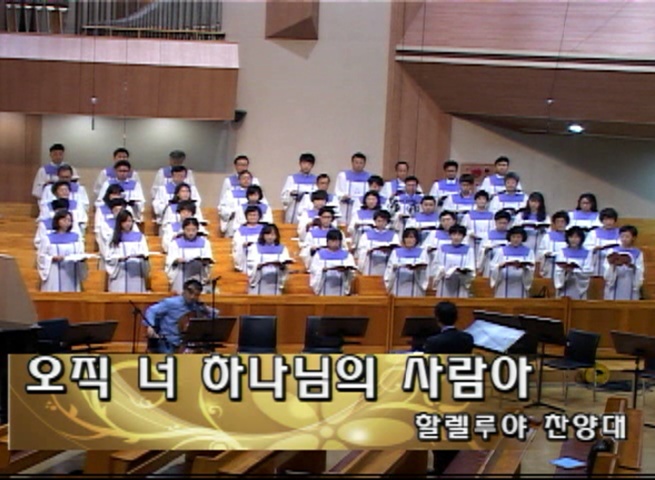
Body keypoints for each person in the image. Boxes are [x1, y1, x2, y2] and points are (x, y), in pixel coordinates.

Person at [423, 301, 474, 476]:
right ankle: (454, 467)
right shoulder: (467, 339)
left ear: (437, 318)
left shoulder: (433, 342)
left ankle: (440, 469)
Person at [144, 279, 219, 354]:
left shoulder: (196, 305)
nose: (192, 297)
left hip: (186, 345)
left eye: (196, 295)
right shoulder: (171, 302)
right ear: (184, 291)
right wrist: (150, 326)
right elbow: (151, 311)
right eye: (190, 293)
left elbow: (215, 316)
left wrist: (204, 307)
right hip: (168, 343)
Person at [37, 210, 88, 292]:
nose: (67, 222)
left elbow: (80, 252)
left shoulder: (76, 237)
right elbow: (41, 256)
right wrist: (52, 258)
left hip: (71, 271)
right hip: (54, 271)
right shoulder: (48, 238)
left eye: (69, 220)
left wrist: (81, 259)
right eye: (64, 220)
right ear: (58, 221)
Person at [105, 210, 150, 293]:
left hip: (136, 272)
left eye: (129, 221)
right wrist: (119, 258)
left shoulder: (139, 236)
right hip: (120, 273)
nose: (127, 224)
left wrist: (143, 257)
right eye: (125, 221)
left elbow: (145, 253)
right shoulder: (114, 237)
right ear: (120, 223)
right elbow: (108, 257)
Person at [165, 217, 214, 294]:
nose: (191, 233)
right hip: (180, 273)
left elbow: (208, 257)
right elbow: (170, 260)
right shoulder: (175, 243)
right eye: (188, 230)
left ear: (197, 230)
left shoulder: (205, 243)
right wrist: (176, 260)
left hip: (198, 273)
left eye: (193, 230)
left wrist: (205, 262)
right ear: (183, 229)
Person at [246, 224, 292, 295]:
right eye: (267, 234)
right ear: (263, 235)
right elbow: (250, 264)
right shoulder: (254, 247)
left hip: (275, 281)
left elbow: (285, 264)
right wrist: (259, 265)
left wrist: (282, 266)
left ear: (276, 236)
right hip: (259, 281)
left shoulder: (282, 249)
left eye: (273, 234)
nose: (270, 237)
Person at [489, 226, 535, 298]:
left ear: (523, 238)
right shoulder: (501, 251)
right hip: (504, 283)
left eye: (518, 237)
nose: (516, 239)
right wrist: (500, 266)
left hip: (520, 283)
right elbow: (493, 266)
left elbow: (532, 268)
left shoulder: (529, 252)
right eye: (513, 237)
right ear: (509, 237)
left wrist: (525, 267)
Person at [431, 225, 475, 298]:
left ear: (463, 236)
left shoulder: (469, 250)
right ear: (450, 235)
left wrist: (463, 271)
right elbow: (436, 264)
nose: (456, 237)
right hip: (444, 282)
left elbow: (471, 266)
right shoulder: (442, 248)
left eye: (459, 235)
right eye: (454, 234)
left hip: (460, 282)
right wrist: (442, 271)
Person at [309, 229, 357, 296]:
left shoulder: (347, 255)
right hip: (324, 286)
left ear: (340, 242)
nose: (334, 243)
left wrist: (346, 271)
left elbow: (352, 273)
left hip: (340, 286)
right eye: (332, 241)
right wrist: (322, 270)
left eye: (336, 241)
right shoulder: (319, 255)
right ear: (327, 241)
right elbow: (314, 270)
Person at [384, 228, 429, 297]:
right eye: (406, 237)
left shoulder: (422, 252)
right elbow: (389, 269)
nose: (409, 240)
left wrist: (418, 268)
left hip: (415, 285)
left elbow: (425, 270)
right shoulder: (396, 252)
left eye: (411, 237)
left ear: (416, 239)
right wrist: (394, 269)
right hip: (399, 284)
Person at [603, 225, 644, 301]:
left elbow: (640, 268)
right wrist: (612, 265)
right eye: (622, 236)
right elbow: (606, 267)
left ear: (633, 238)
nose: (624, 239)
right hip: (615, 281)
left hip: (630, 281)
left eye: (627, 237)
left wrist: (632, 266)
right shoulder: (612, 251)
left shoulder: (637, 253)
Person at [356, 210, 400, 276]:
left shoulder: (394, 236)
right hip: (370, 264)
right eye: (379, 221)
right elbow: (361, 250)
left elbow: (396, 251)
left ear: (387, 222)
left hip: (386, 263)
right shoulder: (366, 235)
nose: (381, 223)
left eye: (383, 221)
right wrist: (367, 251)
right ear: (375, 221)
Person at [554, 227, 592, 299]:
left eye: (576, 237)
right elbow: (558, 270)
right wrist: (565, 272)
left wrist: (574, 271)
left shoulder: (587, 253)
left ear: (581, 238)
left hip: (579, 285)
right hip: (565, 284)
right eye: (571, 237)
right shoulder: (562, 252)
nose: (573, 240)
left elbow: (588, 270)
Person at [335, 152, 371, 226]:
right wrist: (343, 196)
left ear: (364, 164)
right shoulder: (343, 176)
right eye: (356, 162)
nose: (358, 165)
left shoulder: (369, 177)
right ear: (352, 163)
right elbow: (338, 190)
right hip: (347, 206)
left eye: (361, 163)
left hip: (361, 206)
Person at [219, 170, 259, 237]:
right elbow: (223, 208)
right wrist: (233, 212)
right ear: (239, 180)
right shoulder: (230, 193)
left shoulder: (257, 193)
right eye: (243, 178)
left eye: (248, 178)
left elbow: (263, 207)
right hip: (235, 222)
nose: (246, 180)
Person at [281, 153, 317, 224]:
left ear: (312, 165)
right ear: (300, 164)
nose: (306, 166)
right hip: (294, 209)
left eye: (309, 164)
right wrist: (291, 194)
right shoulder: (292, 178)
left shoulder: (316, 180)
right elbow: (284, 195)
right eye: (304, 163)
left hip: (309, 209)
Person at [461, 191, 494, 268]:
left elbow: (493, 229)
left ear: (487, 201)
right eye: (479, 199)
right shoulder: (468, 215)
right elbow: (463, 229)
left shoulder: (492, 215)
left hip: (485, 242)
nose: (481, 201)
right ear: (475, 201)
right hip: (472, 242)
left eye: (484, 199)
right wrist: (470, 233)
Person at [584, 208, 620, 277]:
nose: (608, 222)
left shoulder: (620, 233)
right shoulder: (593, 233)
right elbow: (586, 247)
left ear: (615, 220)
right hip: (597, 263)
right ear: (601, 220)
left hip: (614, 264)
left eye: (611, 219)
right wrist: (594, 248)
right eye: (606, 219)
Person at [477, 210, 512, 277]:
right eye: (500, 223)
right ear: (495, 222)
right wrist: (486, 250)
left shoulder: (511, 236)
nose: (502, 225)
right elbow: (481, 250)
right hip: (490, 262)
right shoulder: (488, 235)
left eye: (504, 223)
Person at [538, 210, 570, 279]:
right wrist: (546, 253)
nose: (560, 224)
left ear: (566, 223)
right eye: (557, 222)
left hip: (563, 266)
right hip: (550, 265)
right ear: (554, 223)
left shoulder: (570, 237)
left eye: (562, 222)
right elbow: (541, 250)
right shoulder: (547, 236)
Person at [232, 206, 265, 272]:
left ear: (259, 216)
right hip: (245, 256)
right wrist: (243, 244)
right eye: (250, 215)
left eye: (254, 215)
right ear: (246, 216)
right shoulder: (240, 230)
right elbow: (236, 243)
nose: (252, 217)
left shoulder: (264, 229)